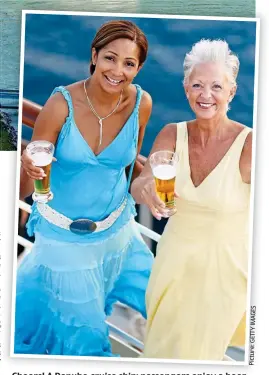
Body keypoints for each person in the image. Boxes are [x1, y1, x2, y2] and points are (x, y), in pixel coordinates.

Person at [15, 20, 154, 356]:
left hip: (120, 234)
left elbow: (129, 164)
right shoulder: (60, 103)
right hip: (65, 241)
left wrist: (150, 186)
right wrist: (29, 167)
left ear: (138, 67)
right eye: (110, 58)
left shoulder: (141, 103)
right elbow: (37, 158)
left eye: (129, 63)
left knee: (166, 299)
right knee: (85, 342)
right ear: (94, 55)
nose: (117, 70)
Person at [131, 39, 252, 360]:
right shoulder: (172, 133)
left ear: (231, 91)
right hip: (172, 266)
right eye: (197, 85)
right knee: (158, 351)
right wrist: (148, 190)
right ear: (186, 89)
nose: (206, 94)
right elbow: (142, 182)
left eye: (216, 86)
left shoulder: (250, 144)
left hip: (222, 276)